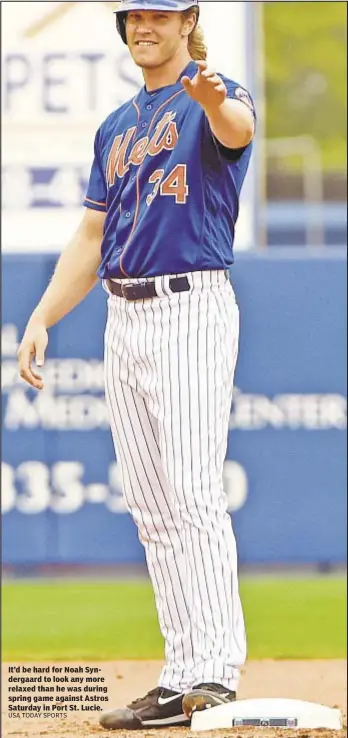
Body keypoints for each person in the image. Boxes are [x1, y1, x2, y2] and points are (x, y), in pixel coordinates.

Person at [17, 0, 256, 730]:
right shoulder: (117, 126)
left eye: (158, 14)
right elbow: (92, 233)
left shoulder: (215, 92)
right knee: (152, 509)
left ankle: (216, 672)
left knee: (190, 494)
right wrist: (43, 315)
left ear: (188, 21)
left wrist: (213, 98)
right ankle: (181, 673)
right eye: (133, 16)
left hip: (190, 304)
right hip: (125, 313)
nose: (143, 26)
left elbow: (236, 128)